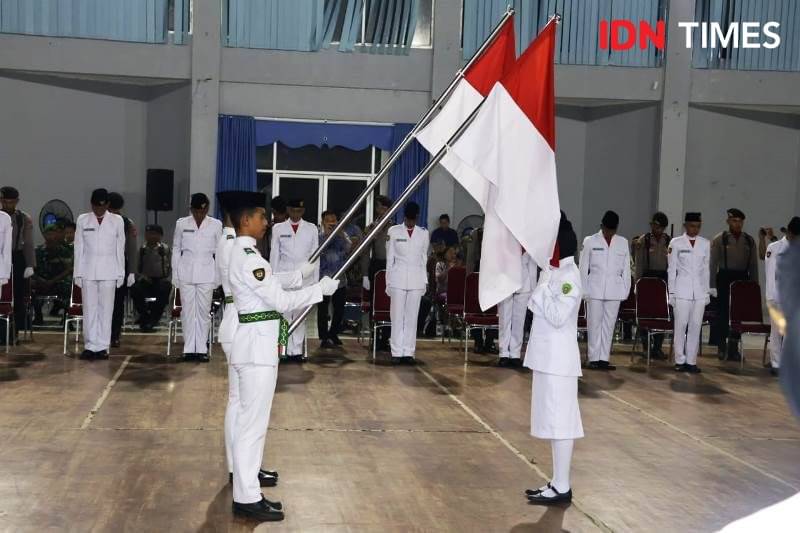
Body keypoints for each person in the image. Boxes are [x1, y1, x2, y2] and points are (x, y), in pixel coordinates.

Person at [226, 191, 338, 522]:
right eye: (261, 217)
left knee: (251, 421)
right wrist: (320, 290)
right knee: (252, 424)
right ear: (246, 220)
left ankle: (247, 490)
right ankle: (247, 496)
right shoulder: (251, 260)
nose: (267, 222)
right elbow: (282, 301)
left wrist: (300, 274)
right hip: (257, 348)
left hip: (255, 344)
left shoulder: (244, 254)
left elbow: (272, 283)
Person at [525, 212, 583, 505]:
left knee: (562, 422)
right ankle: (558, 482)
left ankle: (563, 486)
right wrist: (544, 286)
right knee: (553, 422)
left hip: (559, 362)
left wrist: (542, 291)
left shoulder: (568, 276)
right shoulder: (554, 272)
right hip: (547, 359)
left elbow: (558, 316)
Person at [73, 188, 125, 359]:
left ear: (108, 205)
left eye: (102, 207)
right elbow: (78, 248)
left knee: (106, 309)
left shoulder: (117, 221)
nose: (99, 210)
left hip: (109, 270)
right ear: (92, 204)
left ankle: (102, 346)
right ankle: (90, 345)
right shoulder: (83, 219)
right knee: (89, 309)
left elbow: (120, 248)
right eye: (96, 207)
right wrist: (77, 273)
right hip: (87, 270)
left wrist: (121, 273)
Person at [172, 193, 222, 363]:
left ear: (207, 208)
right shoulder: (181, 223)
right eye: (196, 211)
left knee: (203, 312)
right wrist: (175, 274)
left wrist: (218, 276)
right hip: (185, 272)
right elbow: (176, 249)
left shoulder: (216, 225)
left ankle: (201, 348)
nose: (199, 214)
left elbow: (219, 253)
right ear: (191, 209)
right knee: (187, 312)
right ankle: (188, 348)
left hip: (207, 274)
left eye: (203, 211)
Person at [579, 210, 631, 371]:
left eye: (611, 230)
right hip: (594, 289)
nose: (608, 232)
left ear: (616, 229)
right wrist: (584, 290)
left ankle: (604, 358)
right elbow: (583, 267)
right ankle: (593, 358)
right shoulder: (590, 241)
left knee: (609, 325)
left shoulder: (623, 242)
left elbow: (626, 269)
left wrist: (625, 290)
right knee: (594, 324)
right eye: (606, 229)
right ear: (602, 226)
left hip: (615, 290)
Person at [270, 198, 319, 361]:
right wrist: (273, 279)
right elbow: (274, 255)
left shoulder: (311, 229)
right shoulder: (278, 228)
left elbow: (315, 257)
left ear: (303, 212)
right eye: (293, 211)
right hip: (284, 277)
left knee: (299, 315)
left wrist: (316, 283)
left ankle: (296, 351)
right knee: (284, 315)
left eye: (299, 211)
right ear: (288, 211)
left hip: (305, 278)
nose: (296, 214)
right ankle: (283, 350)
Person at [709, 208, 758, 361]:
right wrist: (711, 286)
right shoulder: (720, 239)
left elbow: (754, 266)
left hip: (742, 279)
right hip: (724, 278)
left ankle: (733, 348)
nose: (737, 224)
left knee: (738, 315)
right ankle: (721, 347)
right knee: (722, 314)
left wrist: (754, 287)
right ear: (728, 221)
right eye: (734, 221)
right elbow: (712, 265)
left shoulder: (749, 241)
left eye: (740, 221)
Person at [386, 202, 429, 364]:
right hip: (397, 278)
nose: (410, 222)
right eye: (408, 219)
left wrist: (424, 281)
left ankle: (408, 352)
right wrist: (388, 282)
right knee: (397, 316)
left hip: (416, 280)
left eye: (413, 219)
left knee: (412, 318)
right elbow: (390, 258)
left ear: (417, 217)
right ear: (404, 217)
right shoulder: (394, 231)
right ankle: (396, 352)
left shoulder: (423, 233)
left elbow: (424, 258)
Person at [668, 213, 710, 374]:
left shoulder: (704, 244)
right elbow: (671, 270)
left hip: (699, 291)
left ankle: (691, 361)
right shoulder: (676, 243)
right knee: (681, 325)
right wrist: (671, 292)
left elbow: (706, 270)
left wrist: (706, 292)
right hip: (681, 289)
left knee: (695, 326)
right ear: (685, 226)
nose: (695, 229)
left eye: (698, 226)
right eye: (692, 225)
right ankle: (679, 359)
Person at [631, 212, 671, 359]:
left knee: (662, 315)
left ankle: (657, 347)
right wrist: (637, 283)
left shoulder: (669, 241)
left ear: (664, 228)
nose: (656, 229)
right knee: (645, 313)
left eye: (659, 227)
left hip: (663, 280)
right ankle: (646, 346)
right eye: (653, 225)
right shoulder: (644, 240)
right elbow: (639, 263)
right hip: (647, 279)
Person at [765, 217, 799, 376]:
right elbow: (770, 274)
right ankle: (776, 363)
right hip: (777, 296)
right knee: (776, 333)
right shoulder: (775, 248)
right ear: (790, 232)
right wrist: (771, 298)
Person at [0, 187, 35, 342]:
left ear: (17, 201)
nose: (8, 205)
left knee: (18, 296)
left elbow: (28, 242)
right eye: (5, 202)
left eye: (11, 202)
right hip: (1, 257)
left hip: (17, 257)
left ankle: (14, 332)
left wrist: (30, 264)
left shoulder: (24, 218)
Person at [360, 195, 392, 349]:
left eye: (383, 208)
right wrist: (365, 274)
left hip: (391, 267)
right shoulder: (372, 227)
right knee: (375, 303)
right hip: (376, 265)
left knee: (389, 303)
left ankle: (385, 338)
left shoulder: (395, 228)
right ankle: (374, 336)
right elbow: (365, 252)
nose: (380, 210)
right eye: (378, 207)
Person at [317, 210, 351, 349]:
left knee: (339, 309)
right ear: (323, 222)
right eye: (328, 220)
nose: (331, 223)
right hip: (323, 278)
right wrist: (326, 234)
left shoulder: (342, 236)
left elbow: (349, 248)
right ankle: (324, 337)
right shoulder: (318, 237)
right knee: (323, 309)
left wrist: (340, 232)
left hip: (340, 278)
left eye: (334, 220)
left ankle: (334, 333)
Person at [108, 192, 137, 347]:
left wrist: (132, 271)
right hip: (102, 264)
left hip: (120, 265)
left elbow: (131, 248)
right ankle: (102, 334)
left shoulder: (126, 223)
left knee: (117, 303)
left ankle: (114, 335)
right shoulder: (98, 220)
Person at [498, 249, 536, 367]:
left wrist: (533, 290)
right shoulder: (504, 240)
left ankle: (515, 354)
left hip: (524, 284)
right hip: (505, 283)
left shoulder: (527, 241)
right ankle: (503, 353)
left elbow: (532, 267)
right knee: (504, 320)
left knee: (519, 322)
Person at [130, 225, 171, 332]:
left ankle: (153, 319)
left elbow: (171, 266)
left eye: (154, 233)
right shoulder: (142, 249)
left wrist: (166, 277)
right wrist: (142, 276)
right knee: (135, 289)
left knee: (164, 290)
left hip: (161, 280)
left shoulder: (165, 249)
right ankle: (144, 316)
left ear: (160, 236)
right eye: (148, 234)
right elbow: (137, 267)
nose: (151, 236)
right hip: (146, 280)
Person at [31, 223, 73, 325]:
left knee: (68, 286)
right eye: (49, 234)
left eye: (54, 233)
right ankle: (38, 316)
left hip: (58, 282)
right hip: (40, 282)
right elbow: (30, 270)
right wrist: (41, 280)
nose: (51, 236)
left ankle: (66, 318)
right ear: (44, 235)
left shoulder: (65, 251)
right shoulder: (37, 251)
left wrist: (52, 281)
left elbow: (69, 270)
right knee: (28, 285)